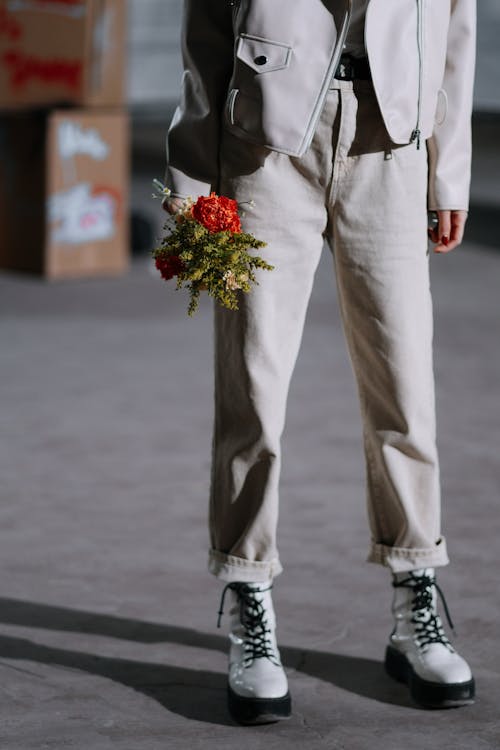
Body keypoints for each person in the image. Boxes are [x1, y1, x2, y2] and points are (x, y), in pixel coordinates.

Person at [163, 0, 477, 725]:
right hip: (264, 150)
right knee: (254, 387)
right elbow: (206, 27)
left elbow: (457, 26)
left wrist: (447, 169)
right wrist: (190, 181)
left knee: (405, 390)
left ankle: (415, 596)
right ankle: (248, 598)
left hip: (392, 145)